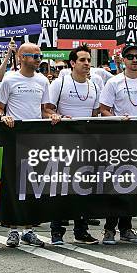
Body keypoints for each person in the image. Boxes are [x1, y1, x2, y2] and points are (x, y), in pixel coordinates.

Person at [0, 42, 61, 248]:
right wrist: (3, 117)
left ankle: (29, 230)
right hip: (14, 137)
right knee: (15, 184)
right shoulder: (9, 79)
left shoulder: (42, 80)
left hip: (35, 139)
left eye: (39, 56)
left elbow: (44, 110)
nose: (38, 60)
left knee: (33, 184)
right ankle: (13, 229)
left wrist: (53, 115)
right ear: (22, 57)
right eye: (34, 56)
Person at [99, 44, 137, 244]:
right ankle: (109, 229)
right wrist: (118, 119)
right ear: (124, 60)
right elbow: (104, 109)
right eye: (130, 57)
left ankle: (127, 228)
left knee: (132, 184)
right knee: (115, 183)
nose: (135, 60)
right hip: (118, 139)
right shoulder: (114, 82)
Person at [47, 44, 100, 245]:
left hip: (86, 145)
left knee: (83, 188)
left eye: (88, 60)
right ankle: (56, 231)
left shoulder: (95, 85)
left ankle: (81, 230)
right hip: (63, 143)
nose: (87, 64)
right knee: (61, 187)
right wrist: (56, 116)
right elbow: (46, 110)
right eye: (82, 60)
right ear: (72, 63)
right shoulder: (59, 84)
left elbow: (95, 115)